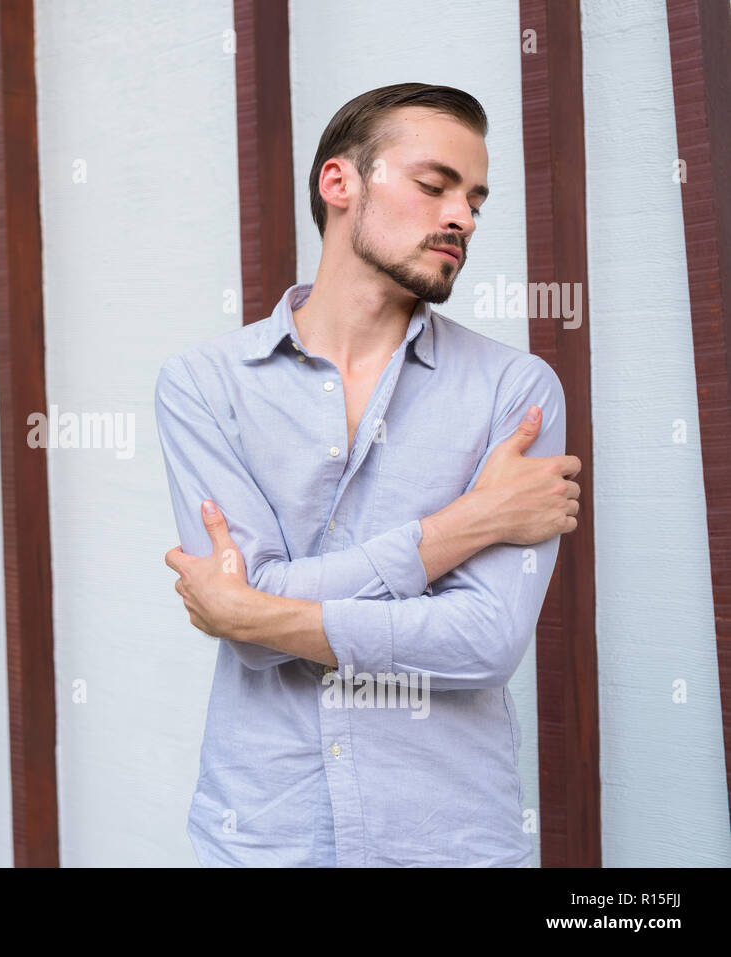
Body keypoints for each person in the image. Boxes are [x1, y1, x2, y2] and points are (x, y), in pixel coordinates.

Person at [154, 82, 582, 866]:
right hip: (262, 839)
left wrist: (253, 612)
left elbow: (484, 641)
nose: (462, 217)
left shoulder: (514, 392)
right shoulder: (206, 385)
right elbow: (249, 637)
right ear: (339, 183)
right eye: (433, 186)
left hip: (449, 844)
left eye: (476, 200)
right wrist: (463, 527)